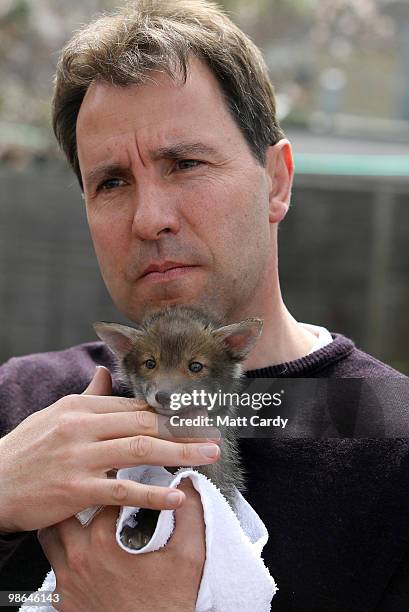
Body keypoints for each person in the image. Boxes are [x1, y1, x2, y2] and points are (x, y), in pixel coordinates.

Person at [0, 1, 407, 610]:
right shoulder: (22, 404)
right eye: (111, 182)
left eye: (185, 164)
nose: (149, 219)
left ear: (276, 180)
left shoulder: (385, 431)